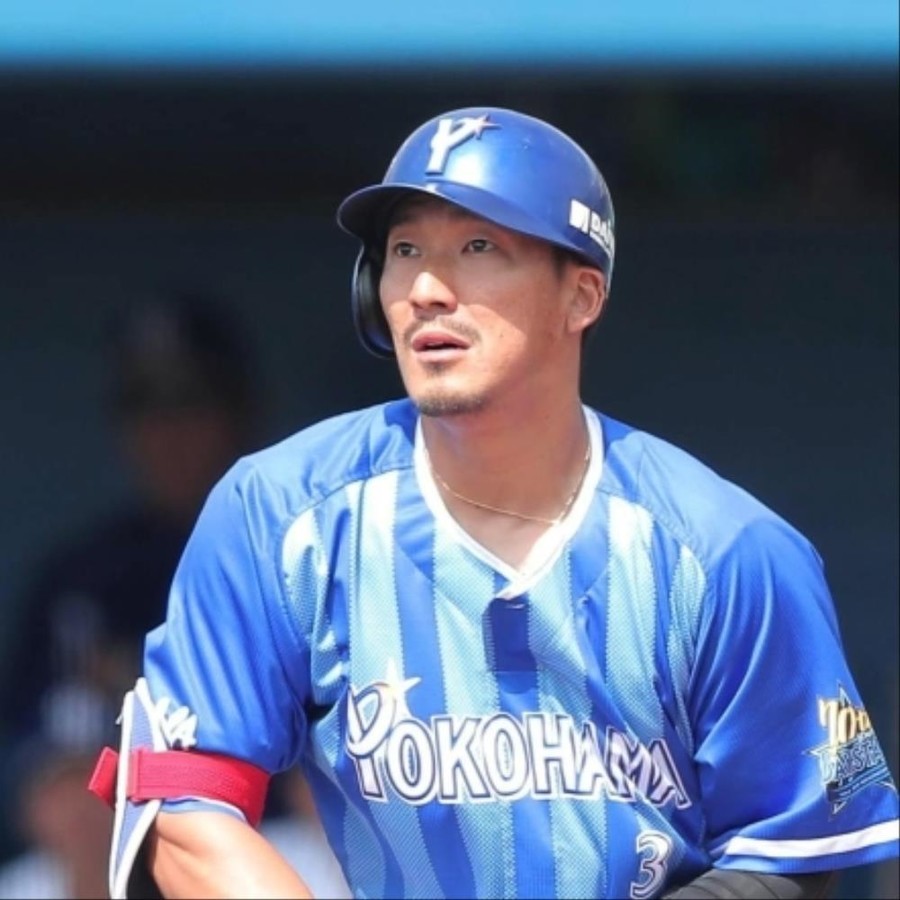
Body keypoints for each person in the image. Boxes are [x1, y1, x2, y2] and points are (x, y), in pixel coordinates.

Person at [88, 107, 899, 899]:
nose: (427, 289)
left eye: (479, 247)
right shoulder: (280, 515)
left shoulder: (727, 550)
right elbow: (182, 803)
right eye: (405, 250)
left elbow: (790, 849)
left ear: (582, 297)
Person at [0, 292, 261, 870]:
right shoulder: (78, 580)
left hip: (272, 838)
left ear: (239, 412)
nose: (169, 431)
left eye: (190, 402)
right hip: (105, 848)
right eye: (146, 406)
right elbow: (31, 755)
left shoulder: (294, 555)